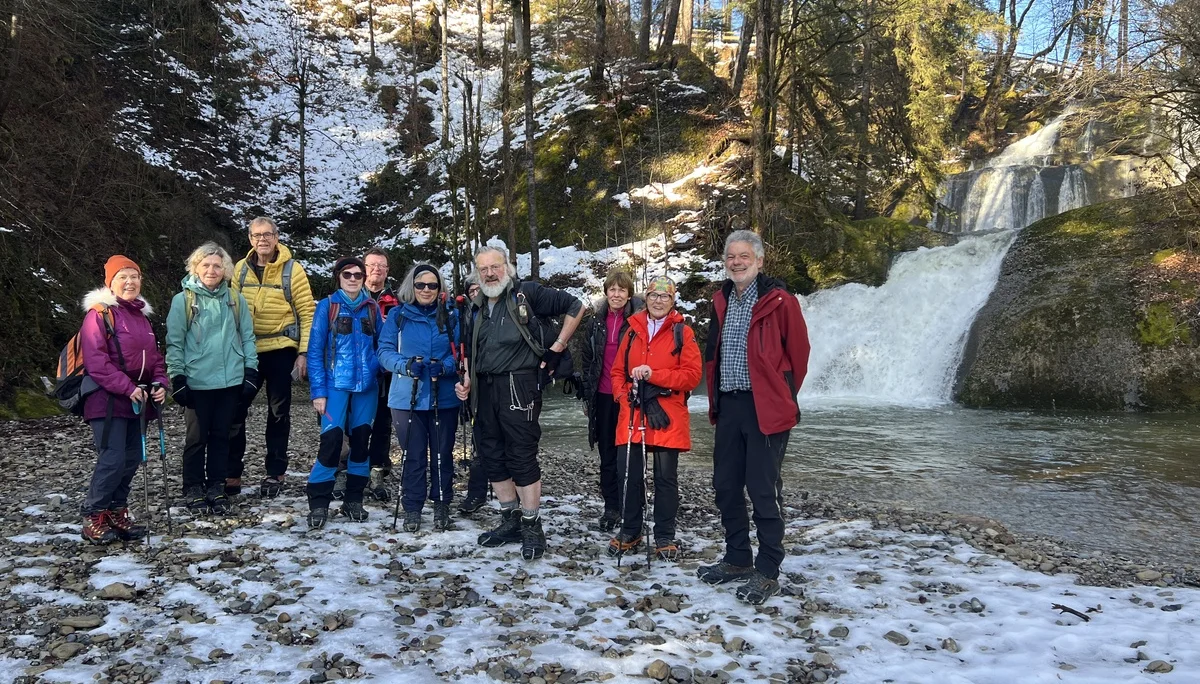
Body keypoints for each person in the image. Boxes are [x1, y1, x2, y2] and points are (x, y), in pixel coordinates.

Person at [697, 230, 810, 605]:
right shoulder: (721, 299)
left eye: (744, 256)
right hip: (729, 405)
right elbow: (714, 354)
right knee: (726, 485)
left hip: (765, 408)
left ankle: (768, 568)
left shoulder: (780, 300)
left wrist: (780, 394)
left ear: (760, 261)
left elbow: (799, 354)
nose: (737, 262)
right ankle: (737, 559)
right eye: (731, 256)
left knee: (763, 490)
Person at [454, 244, 584, 560]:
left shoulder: (527, 293)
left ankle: (531, 525)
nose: (489, 273)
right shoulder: (476, 306)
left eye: (495, 266)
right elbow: (472, 348)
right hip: (483, 388)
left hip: (519, 385)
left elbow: (576, 306)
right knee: (491, 455)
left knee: (522, 454)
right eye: (483, 268)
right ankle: (510, 520)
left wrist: (558, 345)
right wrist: (468, 378)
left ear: (507, 266)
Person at [79, 255, 169, 544]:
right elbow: (96, 361)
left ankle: (117, 511)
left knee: (131, 458)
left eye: (134, 276)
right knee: (113, 457)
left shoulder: (142, 317)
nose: (129, 282)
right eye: (122, 277)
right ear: (111, 282)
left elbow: (155, 359)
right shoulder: (99, 314)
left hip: (137, 399)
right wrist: (127, 386)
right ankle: (94, 515)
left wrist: (161, 384)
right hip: (106, 400)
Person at [609, 277, 700, 561]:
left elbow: (692, 376)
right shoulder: (632, 331)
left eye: (665, 297)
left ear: (673, 302)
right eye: (653, 295)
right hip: (634, 412)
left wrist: (654, 375)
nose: (658, 301)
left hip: (667, 416)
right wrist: (625, 397)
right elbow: (616, 373)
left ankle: (664, 535)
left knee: (665, 479)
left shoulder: (683, 333)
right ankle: (631, 529)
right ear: (645, 298)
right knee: (629, 476)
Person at [165, 243, 259, 515]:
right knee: (196, 438)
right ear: (195, 267)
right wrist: (177, 376)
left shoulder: (235, 299)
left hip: (230, 381)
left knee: (222, 437)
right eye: (205, 265)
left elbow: (247, 337)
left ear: (225, 269)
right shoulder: (182, 300)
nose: (211, 270)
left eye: (217, 265)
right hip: (197, 382)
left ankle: (216, 485)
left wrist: (250, 370)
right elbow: (175, 342)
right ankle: (193, 486)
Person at [229, 217, 316, 498]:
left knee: (278, 413)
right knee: (236, 410)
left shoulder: (293, 270)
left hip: (281, 348)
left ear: (277, 237)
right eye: (256, 235)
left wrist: (303, 352)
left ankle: (275, 472)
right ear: (250, 238)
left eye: (267, 235)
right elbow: (229, 310)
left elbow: (306, 312)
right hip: (247, 350)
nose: (262, 240)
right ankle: (232, 472)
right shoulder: (240, 270)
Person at [377, 264, 461, 532]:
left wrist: (446, 367)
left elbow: (460, 352)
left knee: (442, 454)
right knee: (412, 455)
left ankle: (441, 504)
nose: (426, 290)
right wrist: (405, 365)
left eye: (432, 285)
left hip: (443, 395)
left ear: (440, 288)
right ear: (411, 287)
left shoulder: (451, 316)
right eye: (421, 285)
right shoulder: (397, 316)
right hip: (406, 397)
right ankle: (412, 507)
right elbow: (384, 352)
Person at [305, 257, 384, 528]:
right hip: (333, 386)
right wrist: (318, 391)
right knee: (331, 443)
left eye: (358, 275)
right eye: (347, 274)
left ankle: (354, 499)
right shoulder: (327, 307)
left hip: (367, 388)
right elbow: (315, 352)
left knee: (362, 444)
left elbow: (382, 345)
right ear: (338, 277)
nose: (353, 279)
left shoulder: (372, 308)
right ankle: (318, 504)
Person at [579, 269, 643, 532]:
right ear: (606, 292)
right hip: (603, 396)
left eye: (622, 290)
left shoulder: (638, 320)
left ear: (629, 294)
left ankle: (632, 508)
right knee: (606, 454)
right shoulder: (595, 321)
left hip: (630, 396)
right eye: (612, 289)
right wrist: (586, 393)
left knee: (629, 456)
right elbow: (586, 358)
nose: (616, 294)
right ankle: (611, 508)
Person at [363, 247, 400, 501]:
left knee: (384, 422)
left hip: (386, 371)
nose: (376, 269)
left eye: (381, 265)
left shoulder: (397, 301)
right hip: (356, 368)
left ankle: (378, 469)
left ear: (387, 270)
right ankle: (349, 468)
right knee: (352, 421)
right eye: (372, 265)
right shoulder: (349, 294)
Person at [455, 277, 490, 516]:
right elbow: (463, 348)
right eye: (471, 290)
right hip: (477, 384)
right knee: (480, 440)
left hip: (506, 383)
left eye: (479, 289)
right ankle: (476, 493)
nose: (475, 293)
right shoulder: (465, 316)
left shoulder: (505, 309)